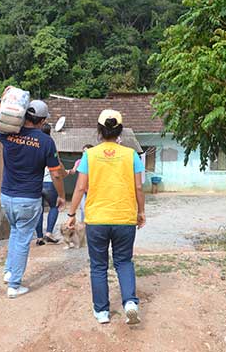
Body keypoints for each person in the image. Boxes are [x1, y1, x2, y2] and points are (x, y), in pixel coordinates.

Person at [66, 109, 146, 325]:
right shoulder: (131, 155)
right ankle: (130, 302)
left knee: (99, 266)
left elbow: (80, 187)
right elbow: (139, 186)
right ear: (119, 131)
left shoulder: (89, 156)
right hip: (124, 219)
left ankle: (102, 312)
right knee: (123, 262)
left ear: (99, 131)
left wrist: (72, 214)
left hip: (97, 220)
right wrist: (141, 212)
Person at [0, 94, 66, 298]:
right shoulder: (46, 142)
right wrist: (62, 195)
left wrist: (1, 99)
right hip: (28, 199)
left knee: (15, 232)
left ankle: (9, 271)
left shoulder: (8, 132)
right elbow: (56, 173)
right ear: (43, 121)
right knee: (22, 240)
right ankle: (14, 285)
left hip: (6, 197)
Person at [35, 123, 62, 245]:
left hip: (36, 183)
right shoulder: (50, 144)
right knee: (53, 207)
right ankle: (49, 233)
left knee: (39, 210)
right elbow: (57, 168)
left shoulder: (33, 144)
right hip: (50, 183)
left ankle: (39, 237)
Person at [68, 144, 94, 222]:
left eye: (86, 151)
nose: (84, 153)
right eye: (83, 151)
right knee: (83, 209)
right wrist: (66, 171)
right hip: (83, 189)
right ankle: (83, 225)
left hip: (93, 189)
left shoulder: (95, 161)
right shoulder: (79, 161)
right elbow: (73, 171)